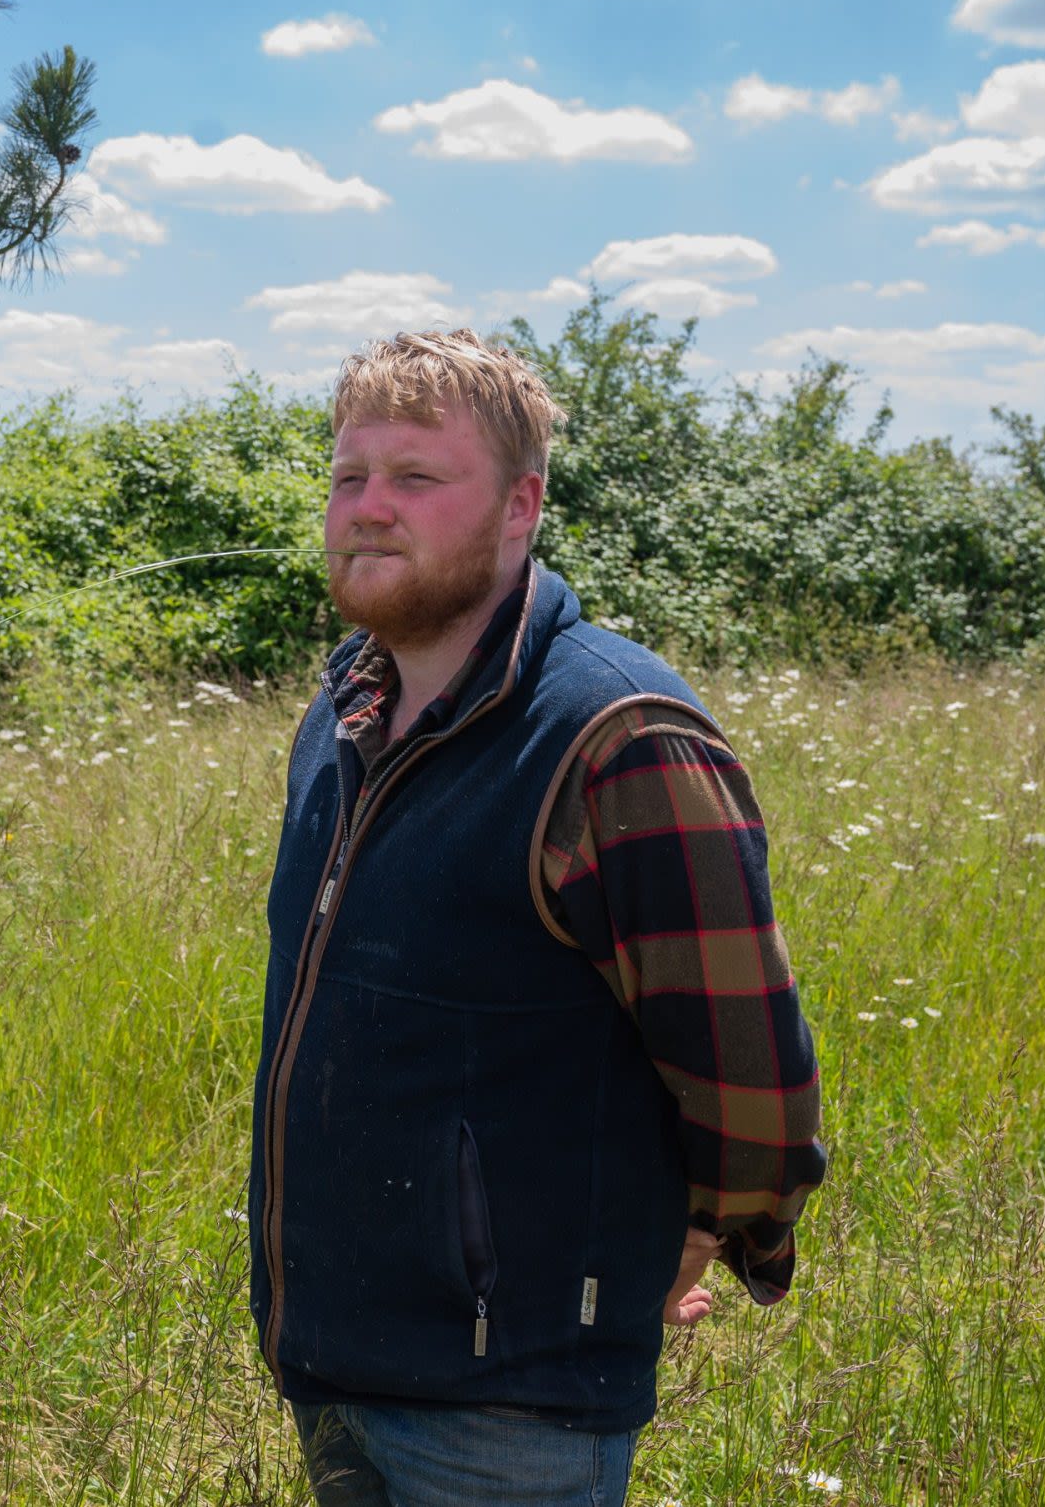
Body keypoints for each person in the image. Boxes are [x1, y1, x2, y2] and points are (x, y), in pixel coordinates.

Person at [249, 330, 826, 1506]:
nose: (367, 509)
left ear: (521, 505)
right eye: (349, 476)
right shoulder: (346, 711)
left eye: (415, 478)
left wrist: (702, 1234)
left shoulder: (617, 740)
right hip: (329, 1358)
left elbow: (752, 1078)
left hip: (507, 1404)